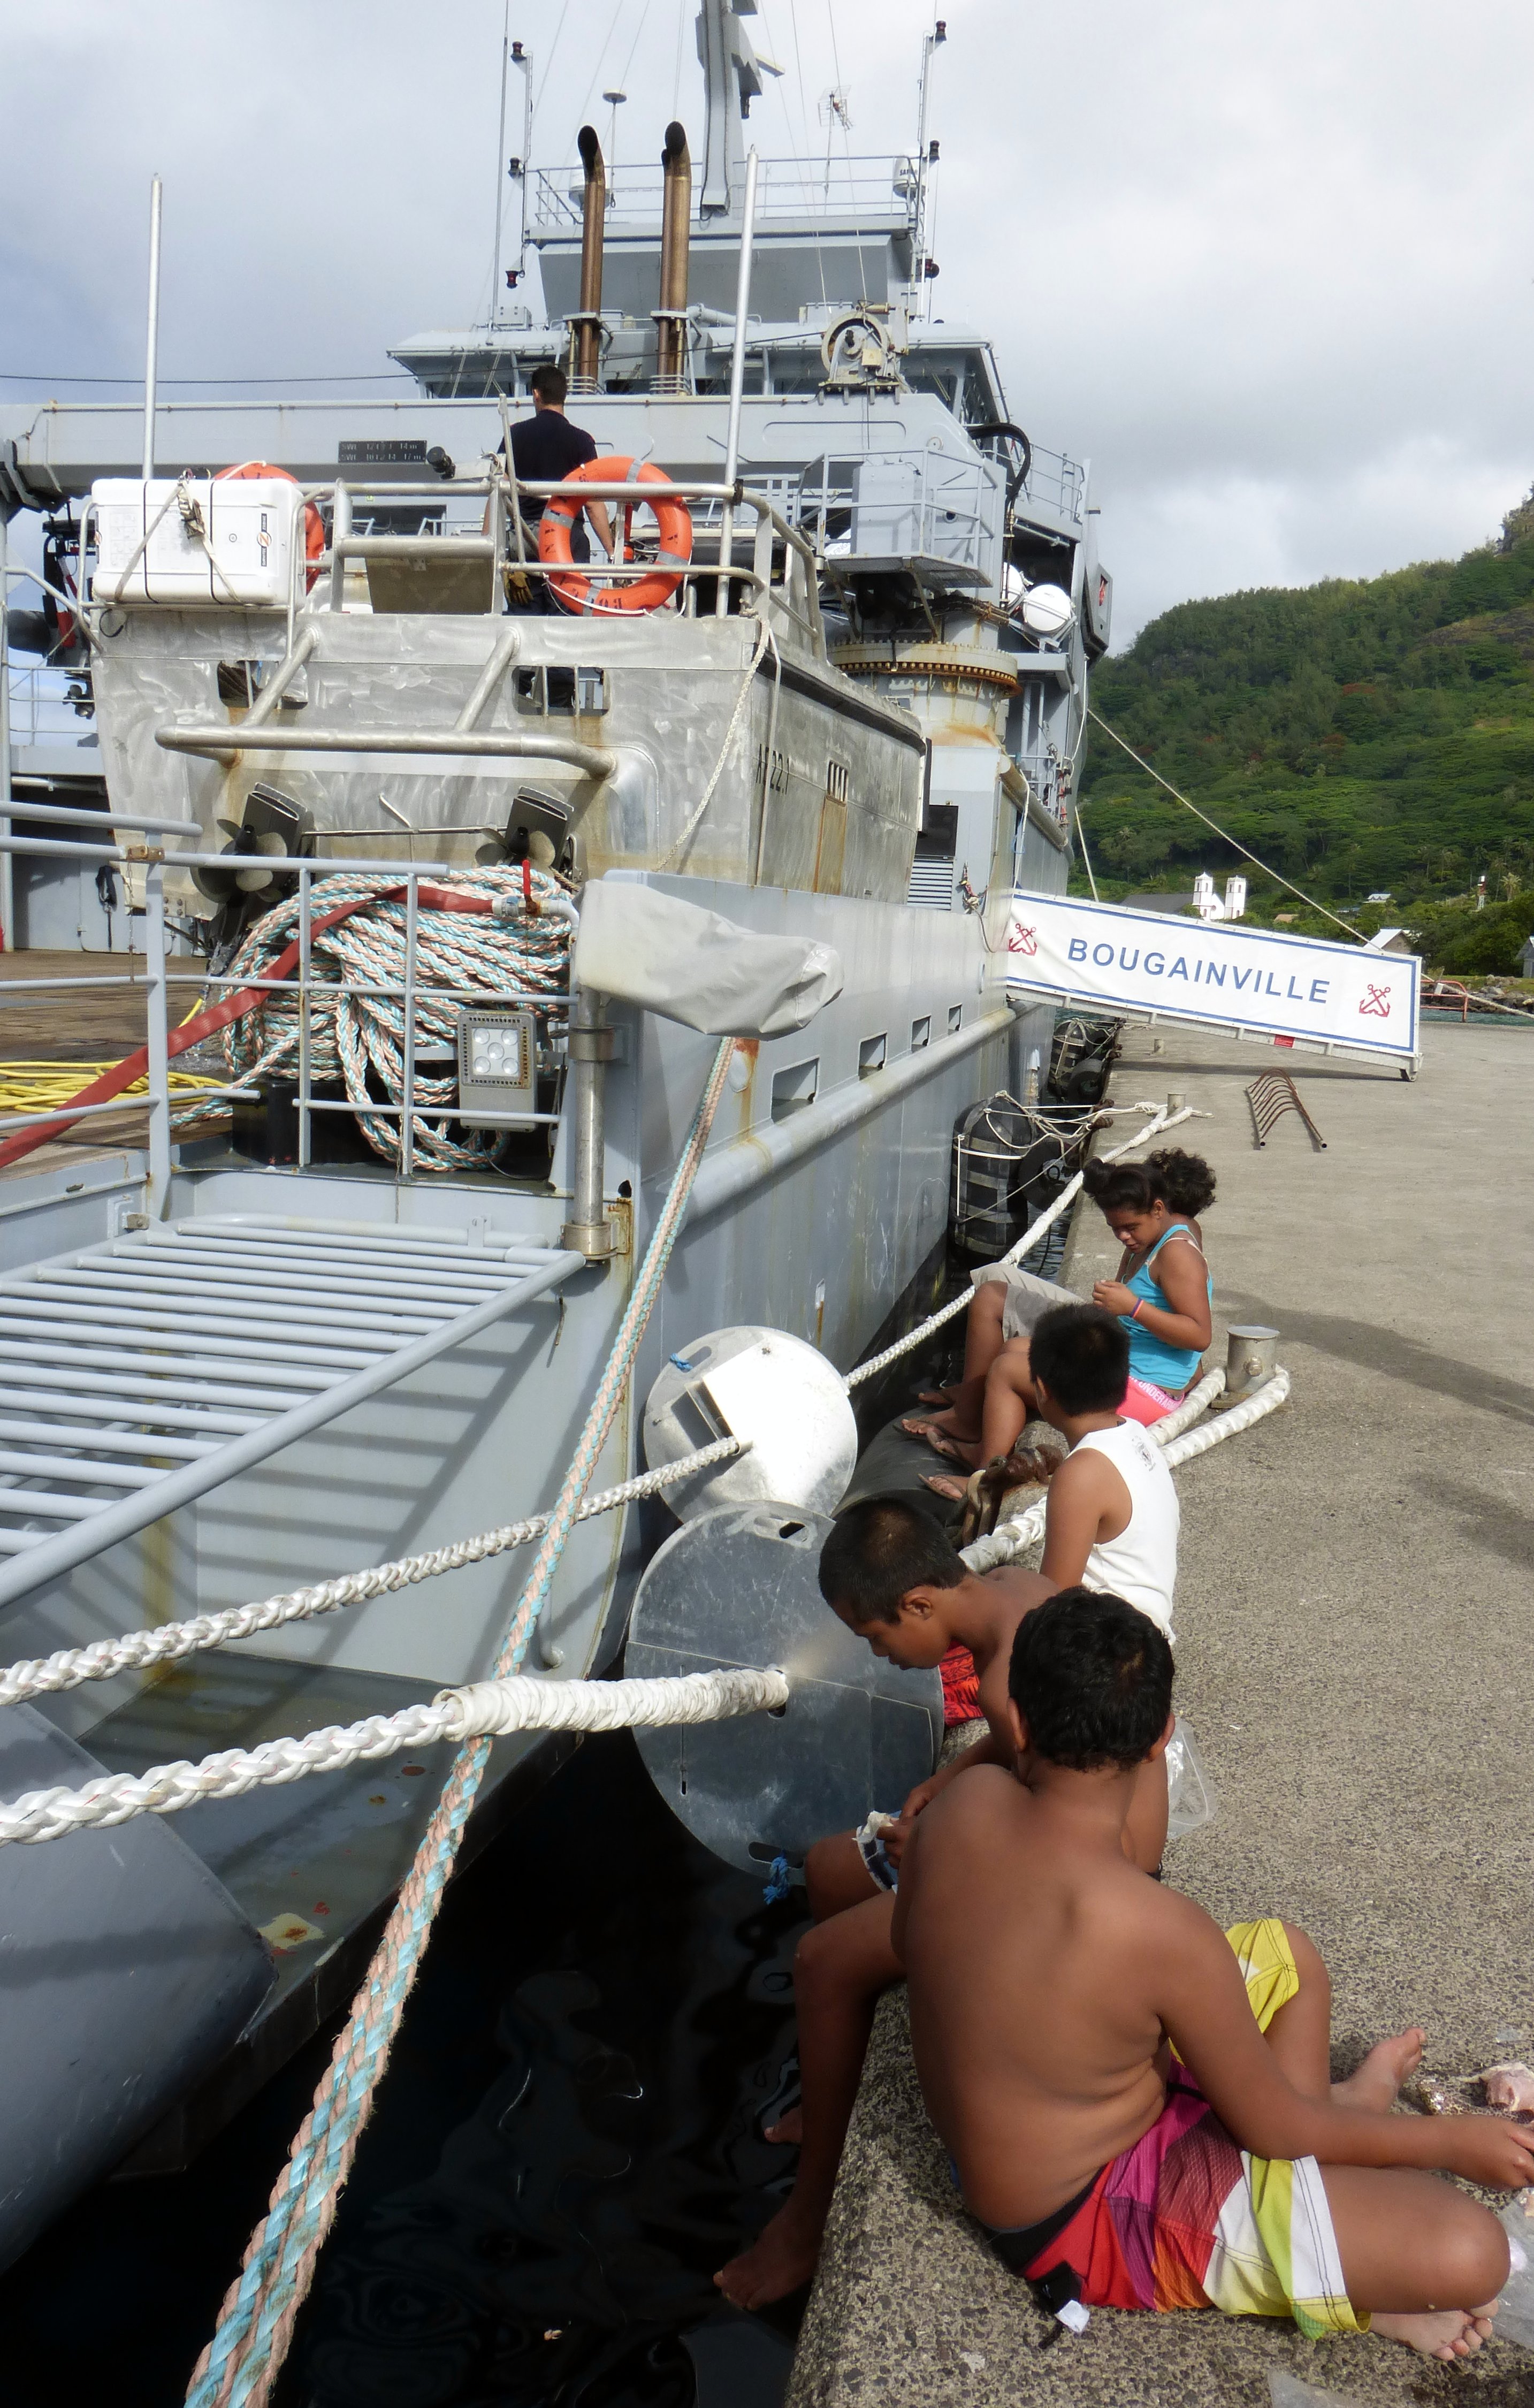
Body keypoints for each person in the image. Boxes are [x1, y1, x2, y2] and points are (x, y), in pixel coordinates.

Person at [892, 1588, 1528, 2362]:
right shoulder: (1159, 1930)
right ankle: (1353, 2293)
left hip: (1028, 2138)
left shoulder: (965, 1802)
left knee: (1282, 1957)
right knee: (1471, 2251)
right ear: (1161, 1736)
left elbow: (922, 1952)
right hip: (1082, 2214)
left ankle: (1336, 2127)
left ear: (1014, 1721)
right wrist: (1449, 2145)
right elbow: (1272, 2132)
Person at [713, 1413, 1177, 2312]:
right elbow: (1024, 1759)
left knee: (821, 1960)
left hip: (1085, 1893)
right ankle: (827, 2081)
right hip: (1056, 1843)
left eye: (879, 1637)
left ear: (920, 1603)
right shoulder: (1007, 1588)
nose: (882, 1656)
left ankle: (804, 2223)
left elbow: (1079, 1845)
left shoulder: (1005, 1692)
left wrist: (938, 1854)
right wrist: (953, 1783)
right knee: (828, 1870)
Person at [902, 1148, 1216, 1468]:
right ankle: (979, 1432)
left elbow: (1200, 1335)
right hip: (1126, 1370)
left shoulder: (1176, 1254)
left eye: (1130, 1227)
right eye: (1115, 1228)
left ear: (1159, 1209)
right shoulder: (1148, 1242)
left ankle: (984, 1470)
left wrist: (1133, 1307)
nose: (1123, 1236)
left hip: (1147, 1392)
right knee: (1016, 1347)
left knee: (1007, 1370)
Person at [500, 364, 614, 607]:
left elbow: (498, 496)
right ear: (564, 396)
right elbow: (593, 504)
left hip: (526, 542)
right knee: (567, 622)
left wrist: (490, 551)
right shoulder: (582, 440)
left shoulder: (513, 436)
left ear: (536, 394)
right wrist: (611, 551)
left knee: (526, 623)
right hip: (568, 542)